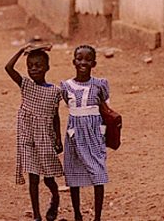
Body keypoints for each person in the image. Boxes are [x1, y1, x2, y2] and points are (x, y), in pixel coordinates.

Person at [5, 45, 63, 221]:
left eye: (38, 65)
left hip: (45, 137)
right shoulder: (25, 85)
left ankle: (55, 197)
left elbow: (55, 116)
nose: (33, 69)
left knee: (48, 178)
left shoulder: (55, 91)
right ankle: (37, 215)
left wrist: (58, 138)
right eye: (30, 66)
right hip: (27, 137)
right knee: (33, 177)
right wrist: (22, 50)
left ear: (47, 68)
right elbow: (8, 68)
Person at [60, 45, 110, 221]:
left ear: (93, 63)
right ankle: (77, 214)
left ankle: (97, 217)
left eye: (87, 59)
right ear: (73, 61)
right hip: (74, 133)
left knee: (99, 173)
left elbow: (105, 108)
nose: (83, 62)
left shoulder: (100, 84)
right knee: (73, 173)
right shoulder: (66, 86)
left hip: (94, 133)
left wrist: (103, 132)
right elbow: (68, 104)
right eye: (79, 58)